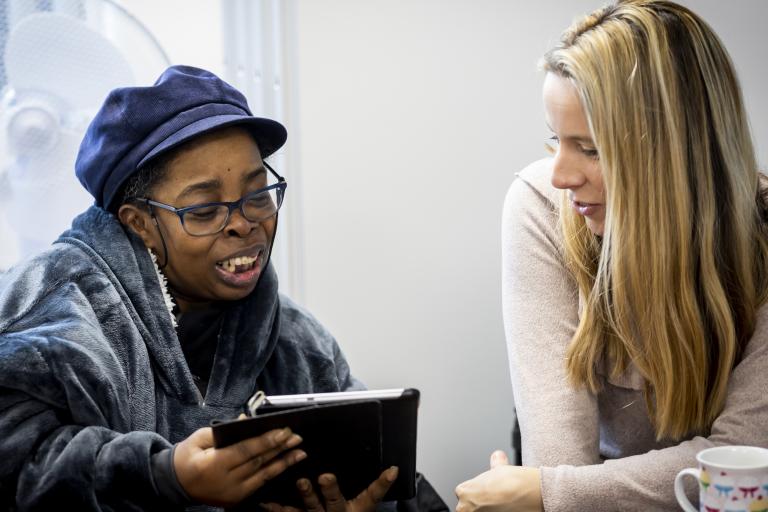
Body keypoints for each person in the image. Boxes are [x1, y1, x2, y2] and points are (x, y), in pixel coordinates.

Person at [0, 65, 441, 512]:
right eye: (206, 208)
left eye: (257, 194)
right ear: (139, 225)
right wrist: (162, 477)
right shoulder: (49, 308)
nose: (244, 223)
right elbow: (16, 465)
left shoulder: (297, 341)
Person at [455, 1, 768, 511]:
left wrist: (547, 491)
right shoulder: (542, 206)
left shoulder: (762, 233)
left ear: (678, 151)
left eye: (592, 148)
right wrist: (556, 489)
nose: (561, 175)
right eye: (557, 140)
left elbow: (743, 465)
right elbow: (560, 459)